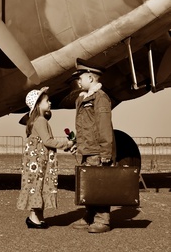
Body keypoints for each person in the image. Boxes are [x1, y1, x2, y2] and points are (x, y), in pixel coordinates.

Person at [17, 87, 75, 229]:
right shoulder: (41, 120)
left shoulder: (36, 120)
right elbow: (48, 141)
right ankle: (34, 217)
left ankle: (37, 217)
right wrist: (66, 144)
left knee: (37, 184)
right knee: (38, 184)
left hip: (36, 161)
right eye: (47, 101)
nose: (50, 103)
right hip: (38, 161)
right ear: (38, 105)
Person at [72, 58, 115, 234]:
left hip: (96, 150)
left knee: (99, 185)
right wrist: (77, 143)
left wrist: (106, 151)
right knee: (88, 186)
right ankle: (89, 215)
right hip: (86, 149)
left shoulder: (100, 98)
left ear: (90, 78)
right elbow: (83, 125)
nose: (78, 80)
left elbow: (104, 125)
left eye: (80, 77)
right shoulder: (82, 99)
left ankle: (102, 219)